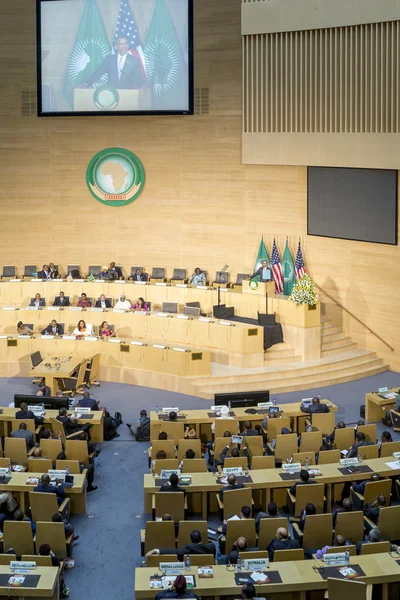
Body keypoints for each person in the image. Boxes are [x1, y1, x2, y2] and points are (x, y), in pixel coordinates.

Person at [78, 35, 146, 90]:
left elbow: (138, 76)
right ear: (116, 46)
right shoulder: (109, 59)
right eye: (121, 44)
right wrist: (86, 84)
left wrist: (142, 85)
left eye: (126, 43)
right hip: (111, 94)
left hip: (127, 94)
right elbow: (98, 74)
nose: (124, 46)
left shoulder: (134, 60)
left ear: (128, 45)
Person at [147, 530, 216, 562]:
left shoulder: (189, 548)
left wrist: (155, 550)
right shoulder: (212, 546)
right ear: (201, 537)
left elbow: (174, 551)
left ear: (191, 539)